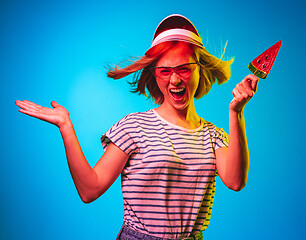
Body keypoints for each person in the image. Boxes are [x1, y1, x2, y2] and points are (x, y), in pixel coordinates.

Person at [15, 14, 259, 240]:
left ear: (199, 69)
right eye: (165, 71)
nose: (174, 79)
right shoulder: (134, 127)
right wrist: (65, 126)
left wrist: (236, 112)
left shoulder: (213, 135)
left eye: (183, 68)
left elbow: (235, 182)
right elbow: (89, 190)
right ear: (154, 75)